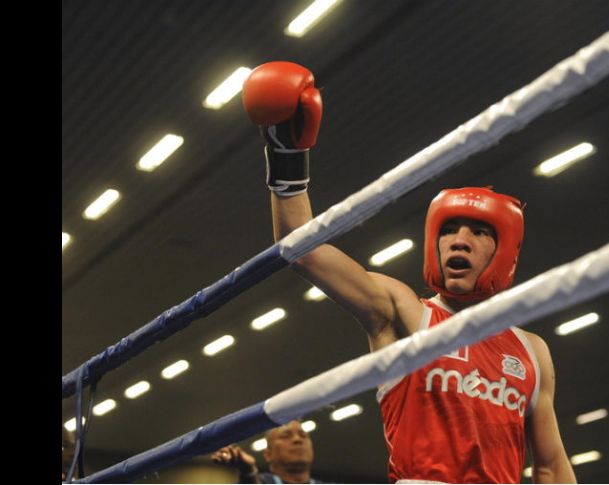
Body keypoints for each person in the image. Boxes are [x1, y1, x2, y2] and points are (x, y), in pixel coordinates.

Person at [242, 61, 577, 484]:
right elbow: (304, 251)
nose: (459, 241)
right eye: (449, 230)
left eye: (478, 232)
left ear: (504, 249)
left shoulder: (531, 351)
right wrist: (286, 152)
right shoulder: (403, 311)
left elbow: (551, 466)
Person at [212, 420, 320, 484]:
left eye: (303, 435)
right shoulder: (264, 481)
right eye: (286, 436)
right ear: (268, 454)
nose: (298, 440)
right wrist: (247, 472)